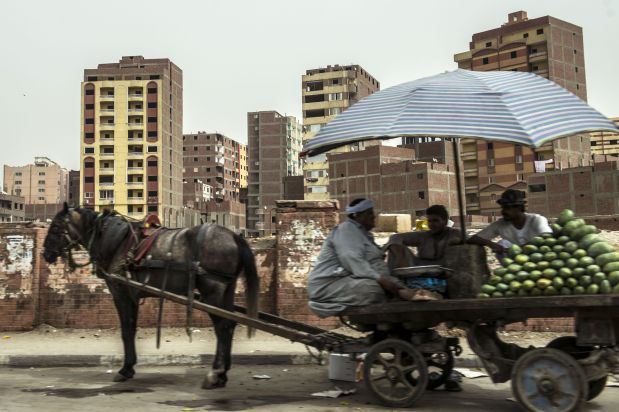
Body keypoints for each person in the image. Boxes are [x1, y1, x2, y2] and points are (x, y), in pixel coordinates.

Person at [307, 198, 425, 318]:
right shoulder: (347, 230)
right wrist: (381, 281)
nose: (373, 217)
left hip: (349, 281)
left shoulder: (366, 235)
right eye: (369, 213)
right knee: (372, 289)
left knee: (396, 289)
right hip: (328, 285)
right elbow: (352, 260)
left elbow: (375, 265)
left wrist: (399, 287)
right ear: (357, 215)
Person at [386, 206, 461, 299]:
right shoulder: (423, 236)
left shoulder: (455, 234)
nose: (432, 224)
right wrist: (400, 256)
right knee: (394, 247)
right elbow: (395, 237)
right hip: (419, 271)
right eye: (429, 221)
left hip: (444, 274)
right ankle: (397, 288)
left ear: (445, 221)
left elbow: (470, 240)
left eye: (436, 221)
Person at [468, 189, 552, 254]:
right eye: (503, 208)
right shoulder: (500, 224)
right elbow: (474, 239)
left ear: (519, 208)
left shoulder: (536, 220)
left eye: (507, 208)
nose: (504, 211)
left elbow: (548, 237)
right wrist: (491, 244)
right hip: (518, 263)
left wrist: (515, 250)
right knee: (502, 243)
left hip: (541, 258)